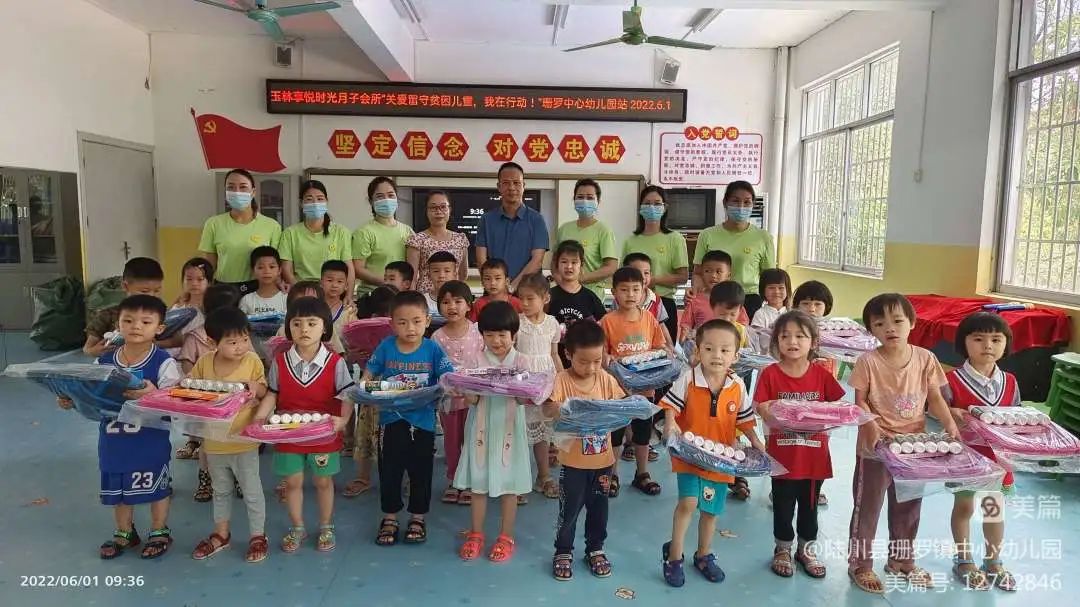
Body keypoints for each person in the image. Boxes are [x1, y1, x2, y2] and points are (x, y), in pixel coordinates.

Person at [847, 293, 960, 594]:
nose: (890, 328)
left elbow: (935, 397)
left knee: (908, 507)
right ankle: (860, 564)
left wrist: (949, 423)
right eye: (879, 323)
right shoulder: (867, 362)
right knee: (867, 508)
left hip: (913, 447)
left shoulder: (926, 358)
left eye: (897, 321)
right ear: (871, 329)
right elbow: (859, 401)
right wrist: (871, 425)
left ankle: (901, 560)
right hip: (875, 449)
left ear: (912, 323)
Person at [59, 295, 181, 560]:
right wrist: (72, 400)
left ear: (159, 328)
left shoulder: (164, 362)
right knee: (119, 485)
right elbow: (91, 396)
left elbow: (176, 401)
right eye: (128, 320)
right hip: (112, 437)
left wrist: (153, 394)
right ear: (117, 324)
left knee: (157, 485)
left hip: (149, 438)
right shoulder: (103, 362)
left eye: (145, 322)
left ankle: (159, 531)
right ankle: (125, 532)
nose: (136, 326)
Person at [660, 319, 765, 587]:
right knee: (688, 503)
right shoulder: (688, 379)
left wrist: (755, 441)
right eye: (709, 349)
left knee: (711, 510)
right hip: (688, 455)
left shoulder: (737, 385)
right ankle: (674, 556)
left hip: (722, 460)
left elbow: (744, 419)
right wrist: (670, 424)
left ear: (736, 355)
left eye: (725, 350)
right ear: (698, 351)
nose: (716, 355)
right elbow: (670, 406)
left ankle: (704, 555)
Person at [253, 296, 354, 553]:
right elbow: (273, 393)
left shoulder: (335, 362)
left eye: (311, 323)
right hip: (288, 436)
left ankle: (326, 526)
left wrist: (343, 420)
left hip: (323, 435)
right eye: (297, 323)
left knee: (323, 482)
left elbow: (347, 395)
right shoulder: (279, 361)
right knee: (292, 483)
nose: (304, 329)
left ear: (325, 327)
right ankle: (297, 526)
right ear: (288, 327)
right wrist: (260, 417)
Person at [753, 311, 845, 579]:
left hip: (814, 457)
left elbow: (838, 406)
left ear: (813, 342)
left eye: (800, 336)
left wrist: (827, 415)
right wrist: (773, 411)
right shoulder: (770, 374)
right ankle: (782, 549)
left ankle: (806, 549)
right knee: (783, 505)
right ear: (776, 341)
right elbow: (760, 407)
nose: (792, 341)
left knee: (810, 506)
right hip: (782, 456)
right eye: (785, 336)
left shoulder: (821, 375)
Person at [362, 291, 454, 547]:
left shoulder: (433, 348)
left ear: (427, 321)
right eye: (402, 322)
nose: (410, 328)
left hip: (423, 422)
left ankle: (417, 517)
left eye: (416, 321)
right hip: (390, 420)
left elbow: (447, 376)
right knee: (389, 471)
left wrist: (450, 387)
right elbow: (370, 372)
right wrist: (365, 386)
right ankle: (390, 517)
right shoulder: (387, 346)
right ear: (392, 324)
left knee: (421, 471)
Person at [456, 301, 544, 563]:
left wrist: (521, 389)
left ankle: (506, 536)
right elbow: (472, 400)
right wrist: (466, 388)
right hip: (481, 431)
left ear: (513, 335)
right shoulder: (475, 361)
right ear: (481, 335)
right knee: (478, 485)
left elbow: (523, 400)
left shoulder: (522, 362)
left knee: (509, 486)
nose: (496, 341)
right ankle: (476, 534)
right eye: (490, 334)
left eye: (502, 334)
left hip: (510, 431)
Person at [543, 320, 627, 580]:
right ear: (568, 354)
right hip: (573, 464)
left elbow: (622, 407)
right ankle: (563, 550)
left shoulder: (606, 379)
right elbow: (548, 409)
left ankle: (595, 548)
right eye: (583, 362)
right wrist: (562, 408)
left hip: (603, 462)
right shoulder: (561, 380)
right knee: (569, 509)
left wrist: (629, 405)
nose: (591, 368)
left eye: (597, 361)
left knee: (599, 508)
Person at [942, 312, 1018, 592]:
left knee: (993, 509)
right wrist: (952, 412)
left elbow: (1016, 417)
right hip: (966, 457)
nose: (988, 345)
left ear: (1005, 344)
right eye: (978, 339)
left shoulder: (1010, 381)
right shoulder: (952, 379)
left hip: (999, 458)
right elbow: (936, 411)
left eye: (996, 339)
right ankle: (964, 560)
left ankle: (993, 562)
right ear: (964, 343)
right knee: (964, 507)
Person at [187, 307, 270, 563]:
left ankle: (258, 535)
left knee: (252, 491)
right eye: (232, 342)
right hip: (214, 442)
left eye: (244, 339)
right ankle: (221, 534)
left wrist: (256, 389)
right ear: (213, 342)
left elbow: (265, 390)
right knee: (220, 490)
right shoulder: (204, 362)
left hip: (244, 441)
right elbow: (190, 387)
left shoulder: (252, 361)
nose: (241, 346)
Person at [601, 266, 667, 498]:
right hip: (616, 391)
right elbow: (601, 354)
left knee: (642, 433)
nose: (630, 294)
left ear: (643, 291)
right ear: (614, 292)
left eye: (635, 289)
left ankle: (642, 473)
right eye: (624, 289)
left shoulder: (649, 319)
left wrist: (662, 355)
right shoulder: (607, 321)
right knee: (616, 435)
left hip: (645, 390)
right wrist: (607, 358)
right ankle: (612, 474)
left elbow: (659, 347)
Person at [431, 280, 484, 506]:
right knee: (452, 441)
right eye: (445, 302)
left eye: (457, 301)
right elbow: (434, 368)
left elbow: (485, 362)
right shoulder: (436, 337)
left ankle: (470, 481)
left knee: (473, 439)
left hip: (474, 398)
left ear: (469, 305)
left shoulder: (478, 332)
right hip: (449, 399)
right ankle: (454, 480)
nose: (452, 306)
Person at [513, 272, 563, 500]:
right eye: (521, 298)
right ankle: (516, 482)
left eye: (530, 298)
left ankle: (543, 477)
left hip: (545, 383)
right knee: (519, 433)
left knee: (541, 432)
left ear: (545, 298)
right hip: (522, 383)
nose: (524, 303)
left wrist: (562, 380)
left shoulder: (552, 324)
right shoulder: (516, 323)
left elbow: (554, 354)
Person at [693, 181, 775, 320]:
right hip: (716, 299)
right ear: (725, 203)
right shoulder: (707, 235)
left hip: (749, 299)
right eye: (735, 201)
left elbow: (769, 278)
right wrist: (697, 295)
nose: (741, 207)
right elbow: (697, 273)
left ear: (753, 204)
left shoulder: (763, 237)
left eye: (747, 202)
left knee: (745, 334)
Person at [197, 168, 282, 295]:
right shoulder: (213, 224)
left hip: (258, 289)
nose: (237, 192)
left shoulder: (271, 226)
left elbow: (276, 264)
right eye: (231, 187)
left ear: (253, 192)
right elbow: (210, 266)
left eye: (243, 187)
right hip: (223, 290)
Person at [622, 186, 689, 341]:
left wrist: (653, 280)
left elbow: (682, 276)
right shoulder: (630, 240)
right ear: (640, 207)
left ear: (665, 207)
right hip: (634, 303)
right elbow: (623, 275)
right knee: (635, 347)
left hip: (664, 301)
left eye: (657, 203)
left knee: (665, 349)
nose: (652, 207)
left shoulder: (675, 239)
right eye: (647, 203)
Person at [476, 162, 549, 292]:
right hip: (494, 292)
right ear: (499, 187)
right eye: (506, 183)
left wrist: (511, 287)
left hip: (527, 292)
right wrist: (496, 286)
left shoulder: (537, 220)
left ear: (523, 186)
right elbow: (481, 259)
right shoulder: (486, 220)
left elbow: (537, 260)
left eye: (516, 183)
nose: (511, 187)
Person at [279, 180, 354, 288]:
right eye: (309, 199)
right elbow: (286, 269)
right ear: (301, 203)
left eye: (320, 199)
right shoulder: (290, 233)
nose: (315, 203)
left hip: (333, 291)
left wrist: (349, 294)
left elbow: (349, 268)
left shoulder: (341, 232)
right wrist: (301, 290)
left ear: (327, 201)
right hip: (301, 290)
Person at [83, 257, 164, 357]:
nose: (152, 296)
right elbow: (87, 349)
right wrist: (93, 351)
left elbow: (173, 342)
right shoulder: (108, 314)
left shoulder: (159, 314)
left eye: (157, 291)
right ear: (125, 286)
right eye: (144, 291)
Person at [555, 179, 617, 300]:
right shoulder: (564, 229)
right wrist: (560, 280)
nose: (584, 201)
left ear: (598, 201)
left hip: (592, 295)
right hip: (564, 292)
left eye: (590, 197)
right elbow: (554, 261)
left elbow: (611, 267)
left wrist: (579, 279)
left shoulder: (604, 230)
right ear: (574, 200)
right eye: (580, 197)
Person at [548, 240, 607, 367]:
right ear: (557, 264)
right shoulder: (548, 296)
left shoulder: (590, 297)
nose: (569, 266)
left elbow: (603, 327)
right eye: (564, 262)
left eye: (574, 262)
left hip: (584, 365)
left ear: (581, 265)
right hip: (554, 363)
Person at [352, 176, 414, 295]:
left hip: (401, 296)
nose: (386, 200)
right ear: (371, 201)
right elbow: (358, 269)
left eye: (391, 195)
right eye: (380, 196)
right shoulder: (364, 232)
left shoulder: (407, 231)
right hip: (373, 295)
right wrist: (387, 283)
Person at [406, 190, 470, 295]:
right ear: (426, 211)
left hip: (452, 297)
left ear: (450, 210)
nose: (438, 211)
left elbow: (463, 275)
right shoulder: (417, 240)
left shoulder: (460, 239)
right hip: (425, 297)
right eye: (433, 207)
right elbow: (412, 279)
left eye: (443, 207)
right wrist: (413, 300)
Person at [678, 250, 733, 345]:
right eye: (707, 271)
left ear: (728, 276)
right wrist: (683, 342)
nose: (713, 275)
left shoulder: (733, 300)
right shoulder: (694, 300)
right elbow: (686, 327)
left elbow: (742, 326)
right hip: (701, 348)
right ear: (702, 274)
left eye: (718, 272)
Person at [159, 257, 213, 353]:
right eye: (189, 279)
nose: (194, 283)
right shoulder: (178, 304)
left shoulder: (209, 309)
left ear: (209, 282)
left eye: (200, 279)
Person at [320, 260, 358, 357]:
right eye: (330, 280)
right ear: (321, 282)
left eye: (339, 281)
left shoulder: (349, 311)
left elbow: (355, 341)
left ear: (346, 286)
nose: (334, 285)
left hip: (341, 359)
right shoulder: (314, 308)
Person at [239, 246, 287, 317]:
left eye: (271, 267)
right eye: (260, 267)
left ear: (279, 270)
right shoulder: (246, 300)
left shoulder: (286, 299)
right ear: (253, 271)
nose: (267, 271)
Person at [750, 268, 792, 350]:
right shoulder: (760, 314)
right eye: (771, 288)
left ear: (787, 290)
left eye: (781, 288)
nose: (776, 291)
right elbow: (756, 339)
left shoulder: (791, 314)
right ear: (763, 290)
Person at [424, 251, 458, 315]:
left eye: (447, 271)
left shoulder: (460, 301)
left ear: (455, 275)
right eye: (436, 271)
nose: (441, 275)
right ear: (429, 275)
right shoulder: (423, 300)